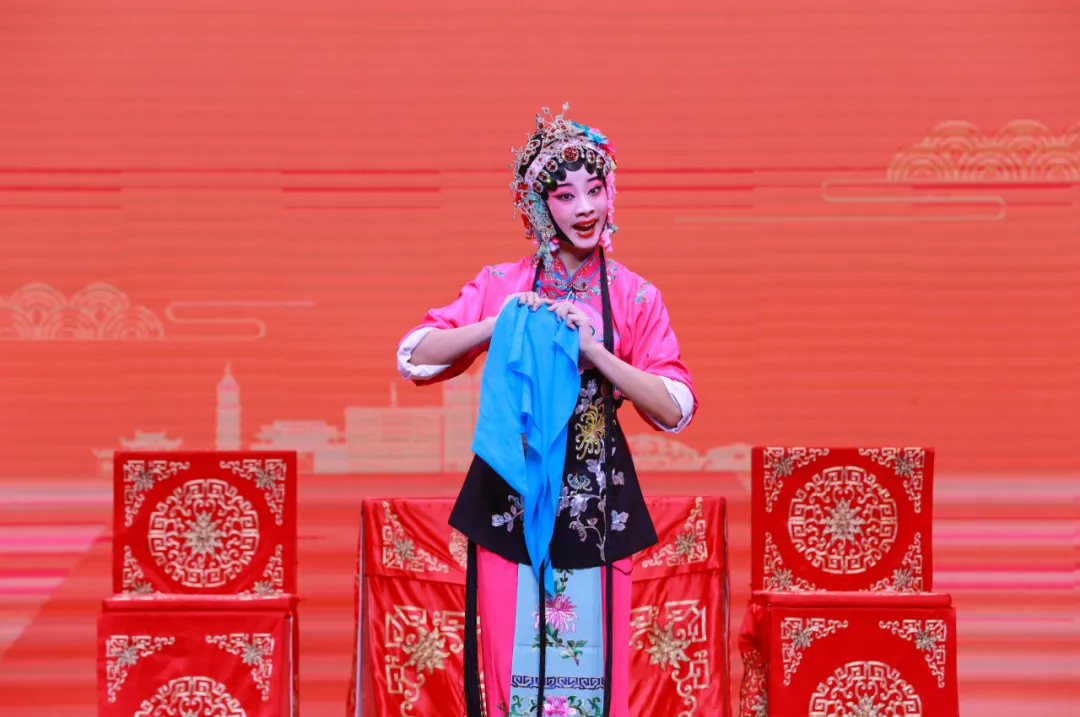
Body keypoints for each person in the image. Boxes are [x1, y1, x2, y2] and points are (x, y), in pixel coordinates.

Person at [397, 104, 697, 717]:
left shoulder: (636, 296)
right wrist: (498, 323)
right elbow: (414, 355)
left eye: (595, 190)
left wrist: (597, 354)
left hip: (596, 500)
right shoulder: (501, 283)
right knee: (512, 675)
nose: (584, 208)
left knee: (592, 678)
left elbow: (675, 407)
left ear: (612, 194)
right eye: (565, 195)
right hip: (510, 495)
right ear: (539, 206)